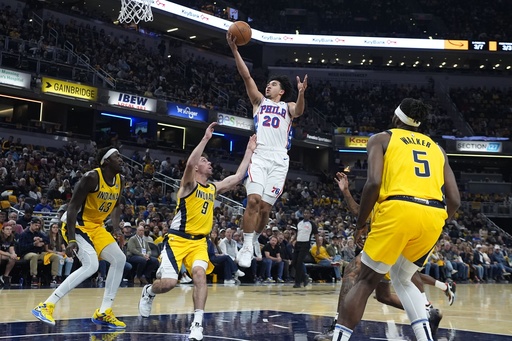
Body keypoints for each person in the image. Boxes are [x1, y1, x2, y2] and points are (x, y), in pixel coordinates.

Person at [331, 98, 460, 341]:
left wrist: (359, 226)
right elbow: (454, 200)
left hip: (398, 210)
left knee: (364, 280)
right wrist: (437, 222)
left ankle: (338, 337)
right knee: (404, 278)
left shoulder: (381, 138)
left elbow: (374, 182)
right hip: (434, 215)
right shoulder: (438, 149)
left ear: (395, 118)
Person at [138, 122, 256, 341]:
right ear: (196, 168)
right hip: (177, 240)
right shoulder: (188, 185)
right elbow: (191, 162)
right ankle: (149, 291)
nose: (208, 162)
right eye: (205, 161)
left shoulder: (212, 188)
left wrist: (249, 150)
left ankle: (197, 324)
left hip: (199, 243)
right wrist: (205, 138)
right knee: (169, 284)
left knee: (200, 275)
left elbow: (238, 176)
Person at [314, 172, 456, 340]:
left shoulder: (389, 189)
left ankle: (336, 328)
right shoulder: (379, 193)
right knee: (384, 295)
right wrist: (346, 192)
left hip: (395, 238)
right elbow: (361, 212)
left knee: (352, 271)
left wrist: (361, 228)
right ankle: (427, 312)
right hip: (409, 232)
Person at [227, 32, 308, 268]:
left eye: (273, 85)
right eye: (268, 84)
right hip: (260, 157)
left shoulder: (288, 106)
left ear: (281, 91)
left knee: (264, 209)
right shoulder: (259, 102)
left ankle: (253, 241)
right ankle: (246, 245)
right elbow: (246, 76)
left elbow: (300, 111)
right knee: (252, 201)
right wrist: (235, 50)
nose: (268, 86)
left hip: (279, 161)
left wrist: (302, 92)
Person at [32, 146, 127, 329]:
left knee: (119, 259)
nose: (121, 159)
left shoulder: (120, 180)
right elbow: (72, 207)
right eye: (117, 157)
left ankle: (104, 312)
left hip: (96, 226)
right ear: (106, 161)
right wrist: (72, 239)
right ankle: (46, 305)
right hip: (76, 224)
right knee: (91, 265)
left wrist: (116, 228)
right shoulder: (91, 177)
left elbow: (116, 207)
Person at [292, 209, 319, 288]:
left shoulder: (312, 224)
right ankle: (305, 277)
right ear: (303, 214)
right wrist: (293, 240)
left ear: (310, 215)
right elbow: (298, 233)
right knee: (294, 263)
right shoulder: (299, 223)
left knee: (299, 263)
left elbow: (317, 237)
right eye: (305, 213)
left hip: (305, 244)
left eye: (307, 213)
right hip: (298, 243)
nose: (306, 214)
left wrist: (318, 248)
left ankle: (297, 282)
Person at [0, 222, 17, 288]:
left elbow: (11, 248)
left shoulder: (11, 237)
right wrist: (8, 254)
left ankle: (5, 276)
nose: (9, 231)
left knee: (12, 259)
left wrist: (13, 254)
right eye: (7, 229)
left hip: (4, 254)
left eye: (10, 229)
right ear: (2, 230)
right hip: (2, 254)